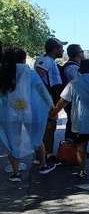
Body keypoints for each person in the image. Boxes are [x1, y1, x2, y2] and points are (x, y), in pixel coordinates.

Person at [0, 47, 53, 181]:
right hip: (28, 112)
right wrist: (51, 106)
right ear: (24, 59)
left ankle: (16, 173)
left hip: (8, 114)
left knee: (12, 142)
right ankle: (43, 165)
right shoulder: (30, 73)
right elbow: (42, 91)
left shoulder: (3, 74)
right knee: (37, 138)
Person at [50, 59, 89, 180]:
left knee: (81, 147)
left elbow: (63, 101)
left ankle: (82, 170)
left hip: (80, 123)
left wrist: (54, 112)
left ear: (81, 69)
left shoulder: (74, 83)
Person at [35, 37, 65, 161]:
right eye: (61, 48)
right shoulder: (45, 60)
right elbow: (38, 77)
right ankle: (44, 155)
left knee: (50, 126)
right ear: (55, 49)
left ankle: (47, 154)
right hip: (47, 98)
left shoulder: (51, 61)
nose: (63, 51)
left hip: (51, 96)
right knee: (47, 127)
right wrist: (47, 96)